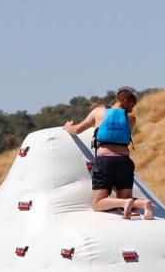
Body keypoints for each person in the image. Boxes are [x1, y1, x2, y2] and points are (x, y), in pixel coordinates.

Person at [62, 86, 155, 220]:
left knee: (97, 203)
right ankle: (143, 203)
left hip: (105, 162)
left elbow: (77, 130)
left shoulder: (98, 112)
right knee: (125, 199)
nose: (132, 109)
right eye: (131, 105)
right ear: (125, 101)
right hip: (124, 162)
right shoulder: (131, 119)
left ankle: (125, 203)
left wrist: (67, 127)